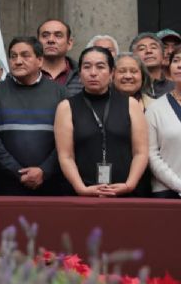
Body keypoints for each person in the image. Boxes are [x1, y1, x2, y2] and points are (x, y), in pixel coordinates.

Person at [55, 47, 148, 197]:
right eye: (87, 67)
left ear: (111, 73)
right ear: (79, 74)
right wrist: (81, 189)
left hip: (126, 191)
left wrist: (129, 185)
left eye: (100, 66)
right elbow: (66, 156)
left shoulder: (130, 104)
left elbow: (141, 152)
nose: (93, 73)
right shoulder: (67, 107)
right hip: (82, 192)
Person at [0, 37, 68, 195]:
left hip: (51, 185)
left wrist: (45, 170)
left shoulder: (59, 92)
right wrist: (17, 172)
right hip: (6, 185)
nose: (18, 61)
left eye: (25, 55)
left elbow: (68, 141)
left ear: (40, 60)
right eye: (13, 56)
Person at [145, 48, 181, 198]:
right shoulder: (155, 109)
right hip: (166, 191)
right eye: (176, 60)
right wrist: (178, 184)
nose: (179, 65)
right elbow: (151, 154)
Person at [37, 19, 82, 96]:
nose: (51, 40)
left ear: (69, 43)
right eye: (45, 36)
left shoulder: (82, 75)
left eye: (58, 35)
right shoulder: (25, 74)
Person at [130, 32, 174, 98]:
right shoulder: (128, 88)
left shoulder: (175, 88)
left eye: (153, 47)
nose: (148, 51)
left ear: (163, 55)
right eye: (142, 49)